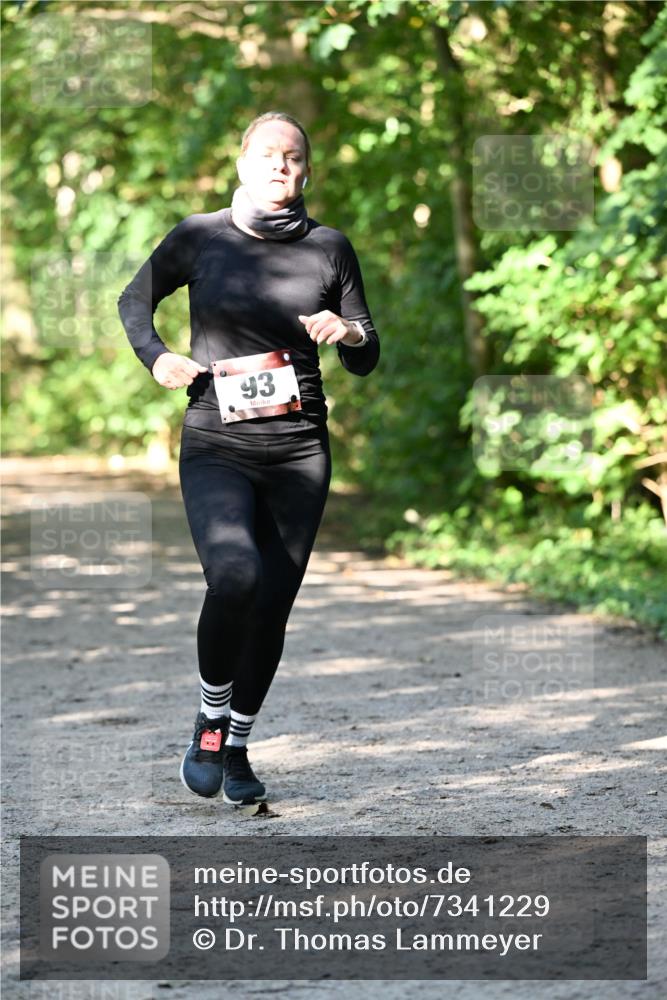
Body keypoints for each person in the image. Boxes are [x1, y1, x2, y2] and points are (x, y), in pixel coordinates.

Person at [117, 110, 380, 806]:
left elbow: (366, 355)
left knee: (270, 605)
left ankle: (236, 745)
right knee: (234, 574)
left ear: (305, 171)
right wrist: (158, 356)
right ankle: (208, 720)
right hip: (217, 439)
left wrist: (347, 330)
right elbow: (134, 298)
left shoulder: (329, 248)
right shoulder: (200, 236)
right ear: (241, 162)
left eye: (293, 157)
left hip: (299, 451)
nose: (279, 166)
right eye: (267, 154)